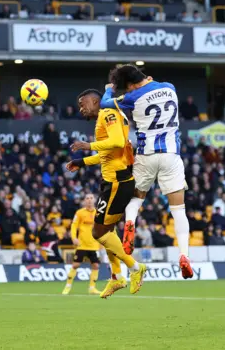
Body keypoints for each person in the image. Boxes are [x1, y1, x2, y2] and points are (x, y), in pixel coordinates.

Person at [100, 64, 192, 279]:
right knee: (179, 210)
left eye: (128, 88)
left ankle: (130, 221)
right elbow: (152, 86)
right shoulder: (170, 87)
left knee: (136, 199)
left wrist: (110, 89)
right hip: (171, 155)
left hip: (146, 155)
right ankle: (184, 255)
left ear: (130, 85)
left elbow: (105, 103)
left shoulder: (133, 97)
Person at [67, 89, 146, 299]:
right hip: (113, 181)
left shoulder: (107, 113)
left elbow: (119, 142)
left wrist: (87, 146)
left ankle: (134, 267)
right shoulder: (106, 116)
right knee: (107, 231)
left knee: (99, 233)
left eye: (83, 104)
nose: (81, 109)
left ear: (95, 101)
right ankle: (116, 276)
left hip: (117, 182)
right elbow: (105, 154)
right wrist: (81, 162)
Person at [62, 193, 102, 296]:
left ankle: (92, 288)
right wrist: (74, 238)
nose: (89, 200)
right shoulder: (79, 213)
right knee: (75, 265)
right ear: (84, 201)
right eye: (87, 198)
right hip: (82, 244)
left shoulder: (98, 213)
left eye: (91, 198)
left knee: (96, 266)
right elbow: (74, 226)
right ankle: (68, 286)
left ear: (94, 200)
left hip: (94, 245)